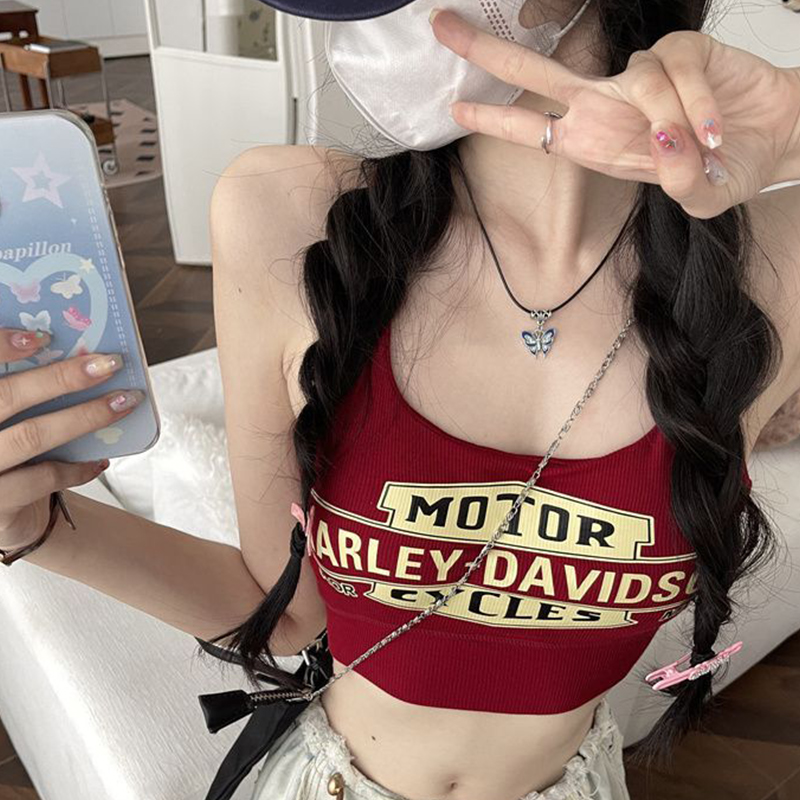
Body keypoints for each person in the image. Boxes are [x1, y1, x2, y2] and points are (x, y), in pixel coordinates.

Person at [1, 0, 799, 798]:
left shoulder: (773, 267)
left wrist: (792, 115)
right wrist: (30, 527)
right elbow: (282, 614)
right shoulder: (286, 212)